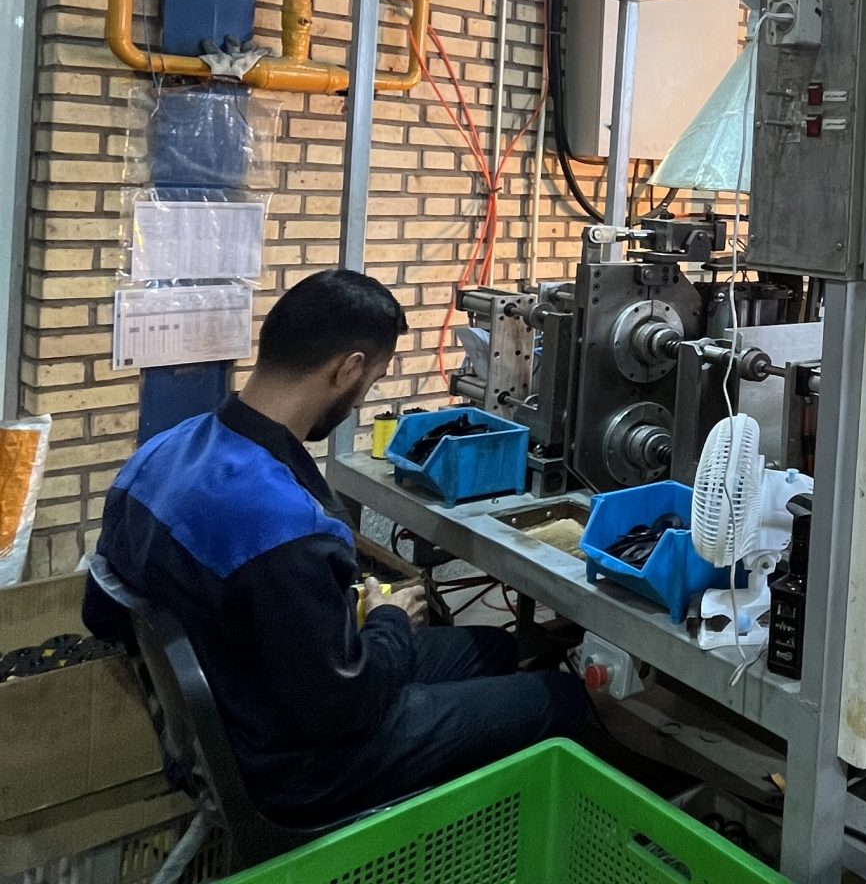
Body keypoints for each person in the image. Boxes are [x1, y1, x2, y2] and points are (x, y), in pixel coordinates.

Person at [84, 267, 604, 827]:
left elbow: (99, 611)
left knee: (492, 648)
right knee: (559, 698)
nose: (362, 397)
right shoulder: (284, 527)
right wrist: (387, 619)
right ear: (348, 369)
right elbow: (344, 707)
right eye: (371, 381)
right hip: (293, 767)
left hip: (245, 702)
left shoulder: (159, 454)